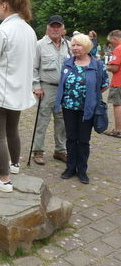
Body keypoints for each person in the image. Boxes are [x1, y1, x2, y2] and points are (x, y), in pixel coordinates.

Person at [0, 0, 37, 193]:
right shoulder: (29, 30)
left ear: (4, 5)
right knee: (12, 130)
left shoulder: (2, 31)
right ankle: (14, 165)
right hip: (18, 90)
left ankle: (3, 180)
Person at [54, 33, 109, 184]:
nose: (75, 48)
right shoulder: (67, 63)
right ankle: (70, 167)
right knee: (71, 138)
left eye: (79, 45)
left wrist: (91, 96)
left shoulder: (97, 65)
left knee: (83, 140)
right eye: (73, 45)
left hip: (88, 109)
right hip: (69, 107)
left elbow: (104, 85)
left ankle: (82, 170)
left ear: (86, 47)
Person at [31, 15, 71, 165]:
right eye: (52, 26)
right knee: (42, 121)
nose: (55, 29)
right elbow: (33, 67)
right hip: (46, 88)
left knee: (62, 121)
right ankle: (38, 151)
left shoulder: (68, 45)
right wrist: (36, 87)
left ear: (63, 29)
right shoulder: (39, 45)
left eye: (58, 26)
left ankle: (60, 150)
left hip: (64, 89)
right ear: (47, 28)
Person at [104, 30, 121, 138]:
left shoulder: (118, 49)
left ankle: (118, 130)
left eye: (111, 41)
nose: (110, 44)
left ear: (115, 38)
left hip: (118, 81)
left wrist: (106, 66)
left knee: (117, 104)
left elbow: (115, 68)